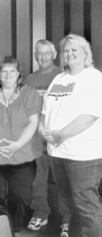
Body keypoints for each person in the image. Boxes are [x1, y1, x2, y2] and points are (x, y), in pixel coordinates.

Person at [40, 33, 102, 237]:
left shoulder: (94, 77)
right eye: (66, 50)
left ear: (86, 53)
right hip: (58, 153)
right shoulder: (59, 78)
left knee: (86, 206)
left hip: (83, 156)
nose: (69, 54)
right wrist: (43, 129)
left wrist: (61, 135)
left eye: (74, 49)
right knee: (68, 206)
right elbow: (45, 111)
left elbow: (90, 116)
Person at [0, 56, 42, 232]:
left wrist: (17, 145)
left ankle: (14, 228)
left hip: (22, 156)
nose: (8, 74)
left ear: (19, 73)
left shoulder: (30, 93)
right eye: (4, 71)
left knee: (21, 197)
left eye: (12, 70)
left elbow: (33, 123)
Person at [25, 39, 67, 232]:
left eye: (46, 53)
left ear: (54, 54)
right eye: (39, 53)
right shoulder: (29, 80)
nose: (42, 57)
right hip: (36, 139)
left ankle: (67, 218)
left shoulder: (63, 77)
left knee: (61, 179)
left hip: (58, 139)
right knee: (38, 179)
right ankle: (40, 213)